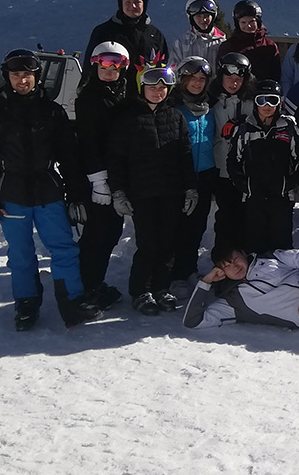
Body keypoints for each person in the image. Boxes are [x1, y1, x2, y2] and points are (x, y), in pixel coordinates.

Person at [0, 49, 101, 331]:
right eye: (16, 75)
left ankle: (71, 302)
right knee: (20, 254)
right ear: (7, 77)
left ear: (36, 77)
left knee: (64, 249)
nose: (22, 80)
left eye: (27, 75)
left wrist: (76, 194)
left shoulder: (52, 111)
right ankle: (26, 304)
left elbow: (69, 156)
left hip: (48, 190)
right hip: (11, 193)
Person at [108, 65, 198, 316]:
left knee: (168, 241)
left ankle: (161, 287)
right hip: (142, 190)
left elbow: (185, 155)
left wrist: (190, 187)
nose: (158, 92)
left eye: (162, 88)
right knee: (148, 242)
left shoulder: (175, 116)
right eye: (152, 88)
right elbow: (116, 159)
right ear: (142, 89)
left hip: (171, 190)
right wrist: (119, 191)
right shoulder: (129, 119)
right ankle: (141, 290)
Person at [74, 41, 131, 311]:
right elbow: (88, 142)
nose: (110, 70)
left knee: (111, 232)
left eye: (116, 65)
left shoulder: (122, 94)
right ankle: (86, 286)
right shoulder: (89, 98)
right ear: (94, 66)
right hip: (99, 179)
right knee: (97, 234)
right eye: (104, 65)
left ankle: (94, 283)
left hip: (118, 175)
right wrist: (98, 180)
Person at [227, 80, 299, 257]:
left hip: (281, 197)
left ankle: (283, 282)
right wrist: (245, 186)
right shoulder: (244, 129)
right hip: (253, 197)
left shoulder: (288, 127)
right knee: (254, 243)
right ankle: (256, 281)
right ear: (255, 102)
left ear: (280, 102)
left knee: (282, 244)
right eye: (262, 100)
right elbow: (233, 162)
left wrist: (288, 184)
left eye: (272, 100)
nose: (267, 106)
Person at [171, 57, 218, 297]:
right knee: (178, 226)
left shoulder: (211, 106)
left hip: (206, 173)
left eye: (202, 79)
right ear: (182, 80)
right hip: (180, 175)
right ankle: (175, 273)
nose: (197, 83)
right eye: (192, 78)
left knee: (197, 225)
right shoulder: (173, 107)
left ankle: (188, 268)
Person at [83, 0, 169, 91]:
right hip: (110, 95)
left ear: (144, 4)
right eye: (127, 2)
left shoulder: (155, 35)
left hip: (144, 96)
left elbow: (162, 66)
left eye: (137, 2)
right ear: (120, 4)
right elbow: (89, 66)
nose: (132, 6)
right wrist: (86, 91)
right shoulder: (104, 31)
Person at [210, 52, 255, 249]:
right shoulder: (211, 101)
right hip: (222, 169)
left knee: (247, 217)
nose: (234, 83)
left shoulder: (252, 101)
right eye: (229, 77)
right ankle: (224, 260)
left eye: (239, 79)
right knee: (226, 217)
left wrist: (242, 123)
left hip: (247, 170)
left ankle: (244, 260)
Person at [218, 0, 281, 84]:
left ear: (258, 22)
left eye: (252, 21)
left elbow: (276, 74)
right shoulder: (228, 46)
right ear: (238, 23)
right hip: (237, 92)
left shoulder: (269, 46)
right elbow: (221, 74)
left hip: (263, 92)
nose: (248, 26)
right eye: (243, 22)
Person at [172, 0, 226, 65]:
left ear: (213, 17)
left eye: (207, 16)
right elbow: (173, 68)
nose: (203, 20)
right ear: (192, 18)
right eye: (198, 16)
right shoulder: (181, 43)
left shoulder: (221, 42)